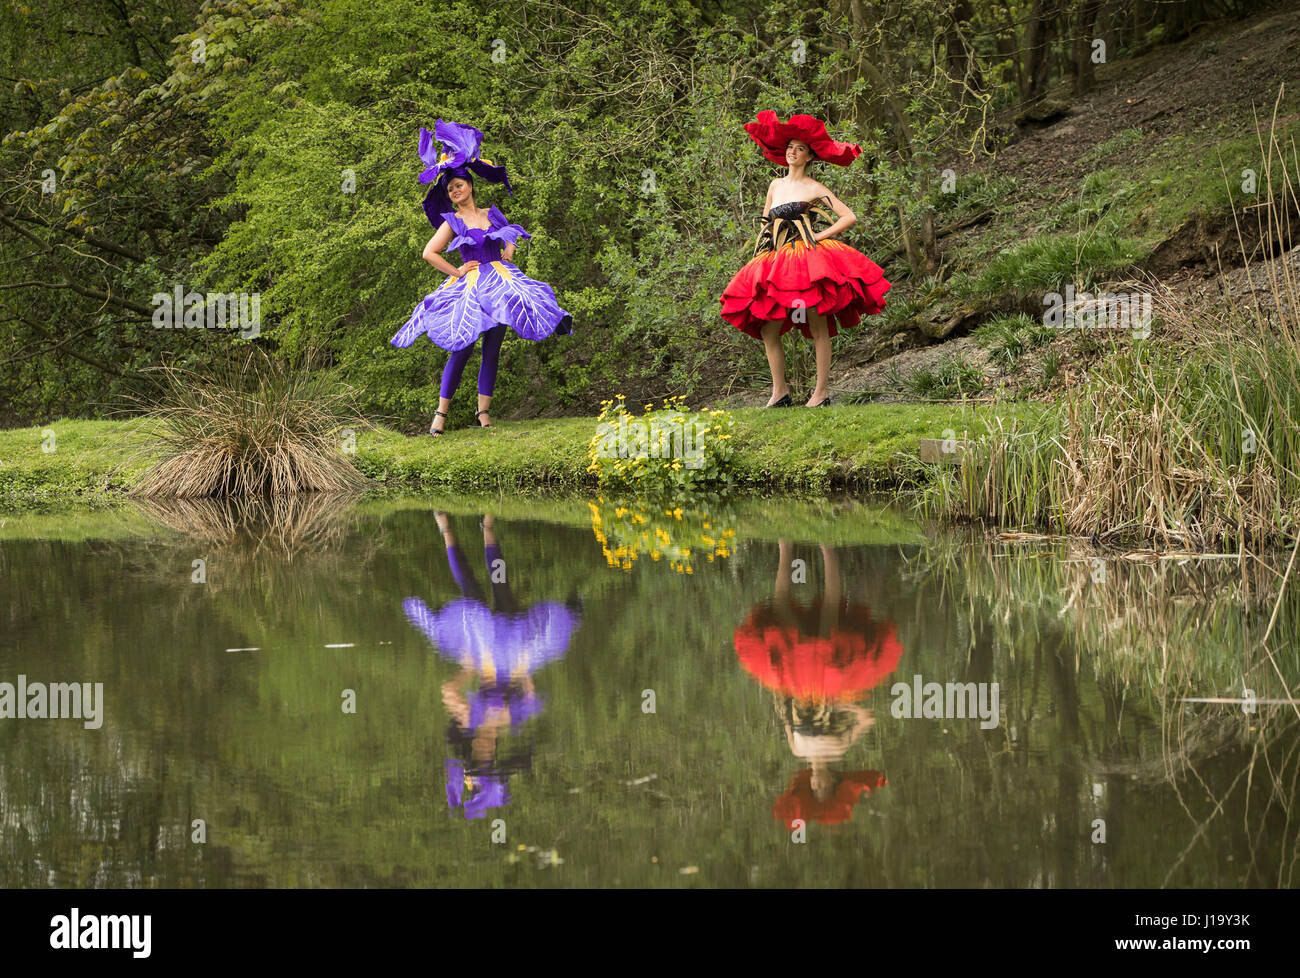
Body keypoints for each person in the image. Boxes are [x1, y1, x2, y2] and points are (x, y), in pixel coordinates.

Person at [391, 120, 572, 436]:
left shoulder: (491, 213)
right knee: (461, 345)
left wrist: (510, 249)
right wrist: (457, 271)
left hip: (500, 284)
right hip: (472, 285)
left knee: (493, 348)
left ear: (470, 186)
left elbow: (510, 233)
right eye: (450, 189)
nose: (455, 191)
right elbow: (429, 253)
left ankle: (484, 414)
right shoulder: (453, 220)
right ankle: (440, 416)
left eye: (459, 185)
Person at [720, 111, 892, 407]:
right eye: (789, 147)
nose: (792, 152)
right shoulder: (775, 185)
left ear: (810, 156)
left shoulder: (814, 188)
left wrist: (819, 237)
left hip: (807, 258)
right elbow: (765, 221)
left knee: (817, 323)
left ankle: (820, 393)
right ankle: (780, 392)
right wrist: (762, 249)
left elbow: (848, 216)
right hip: (775, 259)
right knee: (767, 327)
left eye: (799, 148)